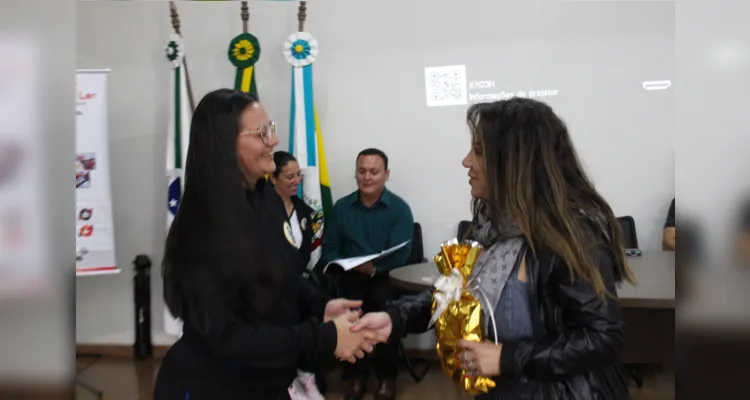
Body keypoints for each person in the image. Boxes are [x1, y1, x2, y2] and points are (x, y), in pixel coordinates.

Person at [353, 98, 636, 399]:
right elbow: (457, 293)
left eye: (478, 151)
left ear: (514, 160)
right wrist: (395, 318)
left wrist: (507, 358)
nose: (466, 162)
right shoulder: (489, 226)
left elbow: (603, 338)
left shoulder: (569, 236)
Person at [154, 89, 385, 400]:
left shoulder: (264, 199)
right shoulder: (202, 224)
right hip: (216, 386)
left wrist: (321, 305)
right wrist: (323, 337)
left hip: (267, 379)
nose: (273, 141)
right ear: (224, 144)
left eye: (271, 129)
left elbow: (282, 271)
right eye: (261, 133)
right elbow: (229, 337)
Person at [319, 148, 414, 400]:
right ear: (355, 173)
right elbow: (330, 248)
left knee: (386, 308)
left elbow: (402, 254)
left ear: (386, 174)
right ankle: (355, 377)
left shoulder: (399, 209)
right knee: (350, 313)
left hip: (385, 276)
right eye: (362, 171)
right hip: (351, 277)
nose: (367, 177)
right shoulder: (341, 207)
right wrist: (337, 264)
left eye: (374, 171)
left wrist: (374, 268)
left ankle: (386, 377)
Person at [269, 150, 327, 398]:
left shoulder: (304, 211)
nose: (296, 181)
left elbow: (304, 252)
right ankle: (286, 380)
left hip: (296, 280)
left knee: (316, 308)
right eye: (289, 177)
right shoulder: (261, 208)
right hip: (269, 283)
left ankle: (305, 374)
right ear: (273, 178)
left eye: (298, 176)